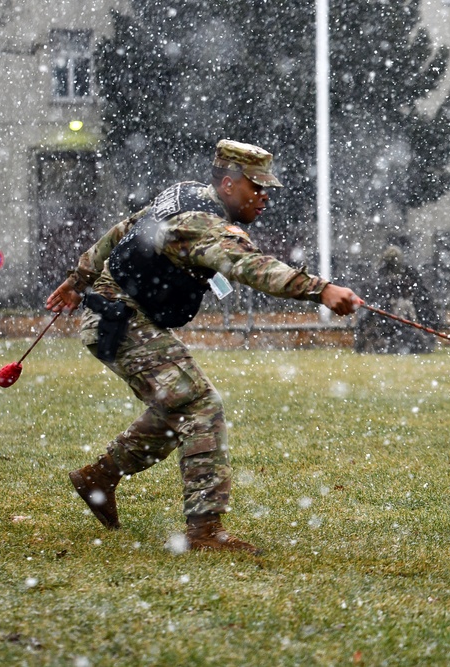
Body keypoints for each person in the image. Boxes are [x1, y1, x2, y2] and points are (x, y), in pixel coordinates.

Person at [46, 139, 361, 555]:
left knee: (180, 405)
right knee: (200, 405)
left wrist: (78, 278)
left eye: (267, 189)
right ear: (229, 184)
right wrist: (321, 290)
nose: (265, 197)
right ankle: (204, 533)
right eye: (256, 187)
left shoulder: (186, 193)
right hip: (118, 319)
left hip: (116, 312)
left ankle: (99, 477)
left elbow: (124, 227)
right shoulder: (203, 224)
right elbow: (250, 266)